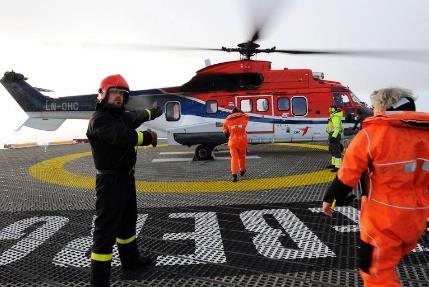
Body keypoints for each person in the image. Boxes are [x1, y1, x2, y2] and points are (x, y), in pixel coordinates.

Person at [322, 87, 429, 287]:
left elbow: (349, 173)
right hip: (418, 216)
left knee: (375, 270)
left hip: (384, 217)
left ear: (384, 106)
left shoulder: (373, 134)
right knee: (392, 257)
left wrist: (331, 199)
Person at [86, 74, 162, 287]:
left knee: (128, 221)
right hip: (109, 182)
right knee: (105, 231)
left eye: (122, 94)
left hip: (126, 178)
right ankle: (99, 282)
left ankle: (130, 260)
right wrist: (147, 137)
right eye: (114, 93)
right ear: (102, 95)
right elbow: (122, 137)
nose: (118, 97)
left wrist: (152, 112)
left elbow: (136, 116)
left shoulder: (121, 116)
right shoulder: (99, 120)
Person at [222, 107, 249, 182]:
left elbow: (225, 133)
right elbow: (246, 116)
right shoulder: (245, 117)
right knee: (242, 157)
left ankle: (234, 175)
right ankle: (242, 170)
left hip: (233, 141)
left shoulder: (227, 120)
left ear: (232, 113)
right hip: (242, 140)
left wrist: (230, 135)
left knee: (234, 158)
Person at [326, 106, 343, 172]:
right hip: (332, 134)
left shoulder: (335, 117)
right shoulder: (333, 116)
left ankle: (338, 166)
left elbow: (337, 128)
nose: (329, 110)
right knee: (332, 150)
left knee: (336, 151)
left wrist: (333, 137)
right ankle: (334, 164)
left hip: (334, 135)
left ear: (333, 110)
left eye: (330, 109)